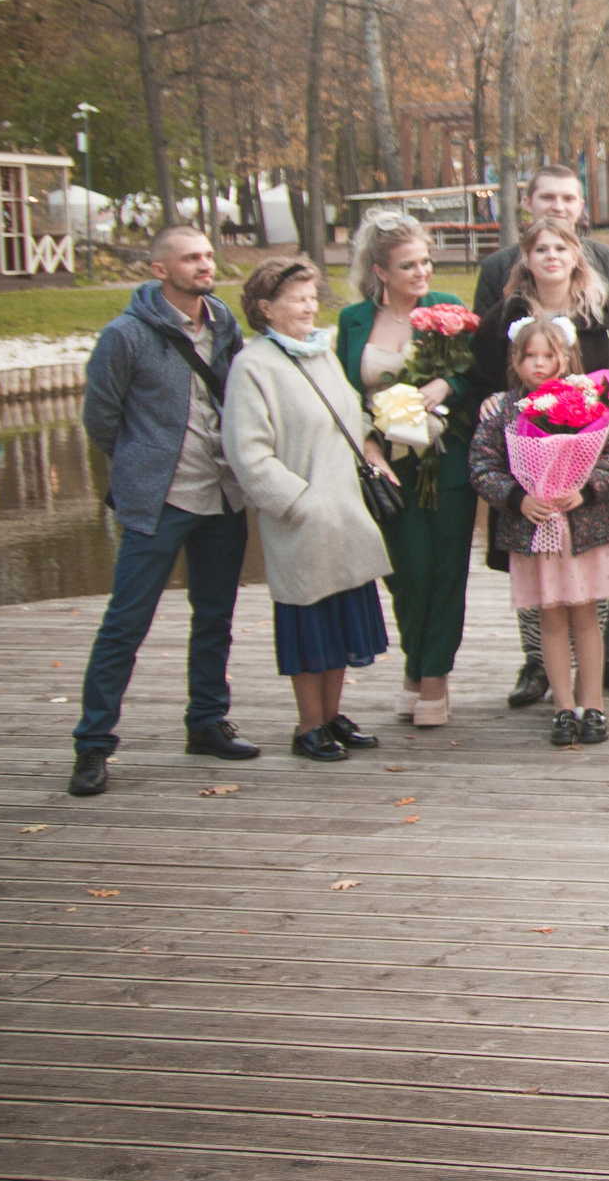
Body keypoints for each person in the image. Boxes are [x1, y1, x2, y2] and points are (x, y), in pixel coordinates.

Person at [68, 225, 258, 796]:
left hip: (223, 494)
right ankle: (93, 744)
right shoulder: (125, 336)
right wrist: (141, 465)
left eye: (207, 255)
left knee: (215, 615)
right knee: (126, 622)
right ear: (160, 269)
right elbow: (101, 418)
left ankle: (206, 722)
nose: (206, 265)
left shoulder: (225, 325)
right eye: (192, 258)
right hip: (161, 499)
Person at [471, 215, 609, 703]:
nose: (551, 257)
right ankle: (539, 667)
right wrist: (493, 405)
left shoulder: (602, 308)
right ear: (525, 259)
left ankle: (603, 667)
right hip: (525, 473)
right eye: (540, 249)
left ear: (576, 254)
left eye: (561, 248)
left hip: (588, 460)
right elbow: (480, 372)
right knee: (539, 587)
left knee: (589, 578)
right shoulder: (507, 313)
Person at [222, 257, 396, 762]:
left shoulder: (319, 353)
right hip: (301, 518)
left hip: (344, 512)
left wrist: (379, 437)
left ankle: (333, 714)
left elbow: (350, 414)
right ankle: (308, 724)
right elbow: (247, 453)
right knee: (309, 622)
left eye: (312, 295)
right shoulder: (253, 366)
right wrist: (299, 503)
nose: (309, 305)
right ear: (265, 308)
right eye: (297, 298)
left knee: (341, 619)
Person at [337, 213, 478, 727]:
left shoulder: (447, 308)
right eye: (407, 265)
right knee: (407, 573)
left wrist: (447, 387)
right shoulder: (353, 321)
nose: (421, 272)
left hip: (446, 459)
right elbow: (345, 394)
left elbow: (474, 373)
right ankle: (414, 666)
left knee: (446, 573)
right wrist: (368, 445)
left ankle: (432, 679)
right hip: (388, 466)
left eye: (425, 261)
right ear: (379, 270)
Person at [470, 313, 609, 746]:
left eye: (549, 355)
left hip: (582, 529)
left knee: (587, 618)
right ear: (515, 359)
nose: (539, 364)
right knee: (550, 619)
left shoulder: (588, 400)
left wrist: (588, 488)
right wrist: (516, 498)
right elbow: (481, 464)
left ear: (567, 356)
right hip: (534, 528)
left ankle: (593, 703)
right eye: (529, 356)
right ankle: (563, 707)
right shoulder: (505, 410)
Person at [471, 162, 609, 332]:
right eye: (547, 197)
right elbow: (482, 347)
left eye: (568, 199)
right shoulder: (496, 267)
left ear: (580, 206)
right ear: (528, 203)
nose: (558, 207)